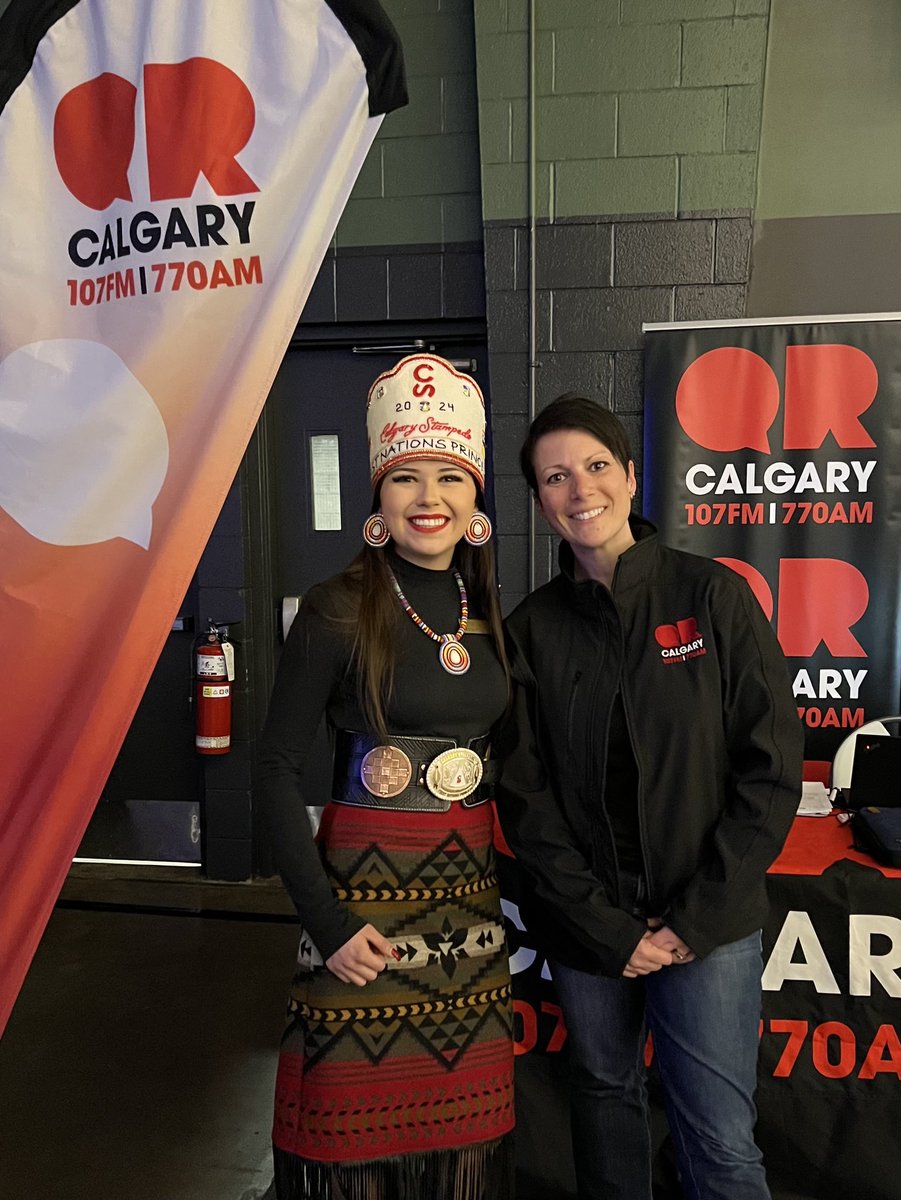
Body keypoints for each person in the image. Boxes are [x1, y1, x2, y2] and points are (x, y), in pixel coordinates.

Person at [496, 394, 803, 1200]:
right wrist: (607, 928)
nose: (579, 489)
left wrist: (694, 920)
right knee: (604, 1101)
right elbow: (526, 800)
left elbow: (770, 770)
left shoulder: (713, 599)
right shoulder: (530, 631)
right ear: (538, 500)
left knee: (718, 1138)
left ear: (631, 476)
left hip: (708, 926)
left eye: (595, 466)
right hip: (592, 929)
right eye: (555, 476)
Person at [257, 354, 514, 1200]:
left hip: (467, 921)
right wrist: (326, 924)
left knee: (461, 1152)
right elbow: (276, 768)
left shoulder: (485, 608)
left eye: (449, 476)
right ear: (379, 498)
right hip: (359, 916)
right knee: (348, 1153)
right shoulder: (337, 607)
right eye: (406, 477)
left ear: (476, 500)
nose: (429, 497)